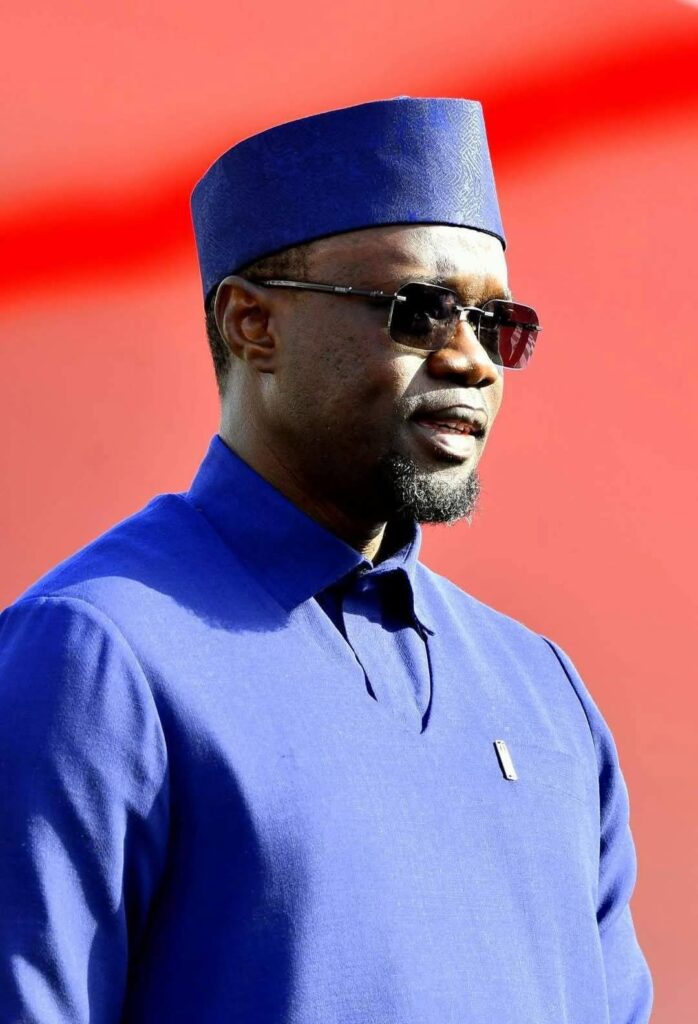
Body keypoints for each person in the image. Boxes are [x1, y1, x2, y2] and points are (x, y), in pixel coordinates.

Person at [0, 96, 653, 1023]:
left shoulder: (545, 696)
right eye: (422, 312)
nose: (473, 360)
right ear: (252, 325)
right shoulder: (94, 656)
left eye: (497, 323)